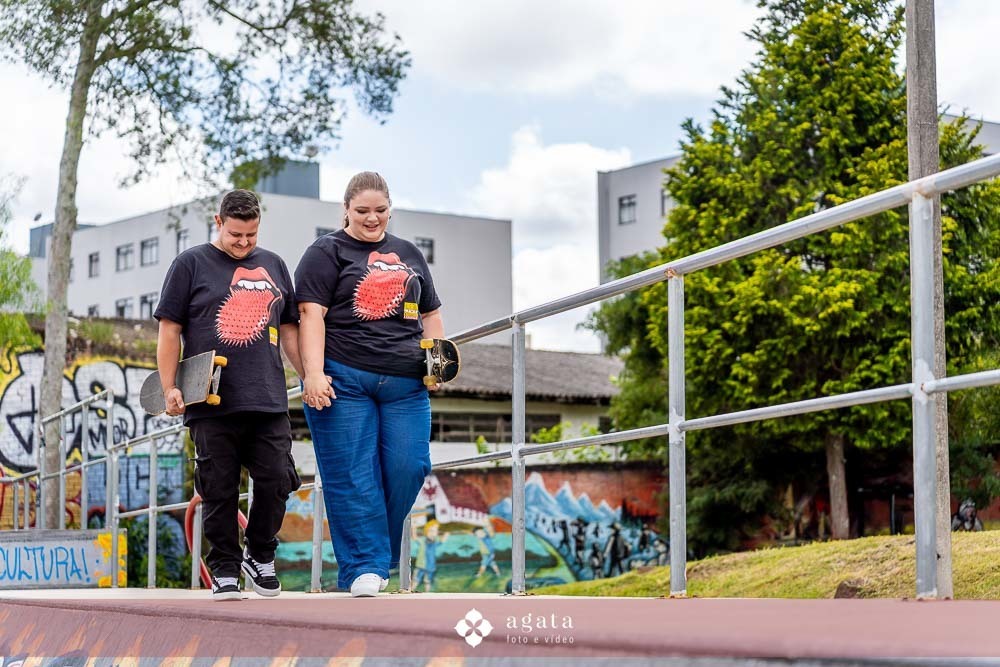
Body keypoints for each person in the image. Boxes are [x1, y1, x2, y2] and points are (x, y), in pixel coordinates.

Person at [295, 171, 444, 597]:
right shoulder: (326, 252)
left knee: (409, 465)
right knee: (353, 473)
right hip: (344, 377)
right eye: (362, 211)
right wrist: (314, 372)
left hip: (405, 382)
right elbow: (310, 315)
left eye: (380, 210)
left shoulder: (408, 252)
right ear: (345, 210)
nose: (372, 218)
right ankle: (366, 567)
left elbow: (431, 314)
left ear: (390, 209)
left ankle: (372, 557)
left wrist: (436, 363)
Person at [154, 189, 303, 601]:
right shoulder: (190, 264)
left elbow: (289, 330)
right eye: (236, 234)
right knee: (218, 488)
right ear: (218, 222)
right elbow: (169, 331)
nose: (243, 243)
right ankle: (224, 568)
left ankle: (260, 553)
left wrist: (310, 375)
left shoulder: (274, 264)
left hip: (268, 396)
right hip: (210, 400)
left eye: (251, 235)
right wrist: (170, 387)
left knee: (277, 479)